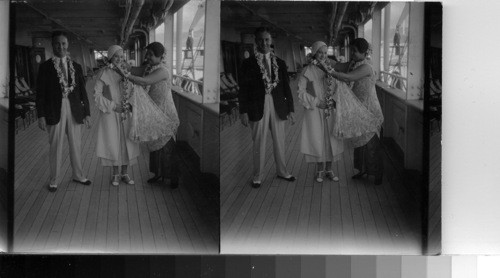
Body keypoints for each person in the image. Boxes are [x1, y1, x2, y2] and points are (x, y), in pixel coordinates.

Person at [238, 27, 295, 188]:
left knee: (280, 141)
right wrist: (243, 111)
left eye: (267, 40)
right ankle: (257, 176)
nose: (264, 43)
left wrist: (291, 109)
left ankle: (282, 171)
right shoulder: (248, 64)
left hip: (277, 105)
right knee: (259, 142)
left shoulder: (281, 63)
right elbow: (243, 89)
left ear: (271, 41)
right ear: (256, 42)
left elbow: (286, 88)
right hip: (256, 106)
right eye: (261, 40)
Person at [36, 31, 92, 192]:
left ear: (68, 45)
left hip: (74, 109)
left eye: (63, 44)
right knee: (55, 146)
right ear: (52, 45)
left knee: (76, 145)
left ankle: (78, 175)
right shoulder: (45, 67)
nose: (60, 46)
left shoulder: (76, 66)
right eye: (57, 44)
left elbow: (83, 91)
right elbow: (40, 94)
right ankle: (54, 180)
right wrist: (41, 115)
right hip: (54, 110)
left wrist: (87, 112)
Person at [119, 42, 180, 188]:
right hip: (154, 113)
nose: (148, 57)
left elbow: (144, 80)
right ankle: (158, 174)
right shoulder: (149, 68)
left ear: (160, 56)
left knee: (166, 147)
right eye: (147, 54)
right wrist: (123, 65)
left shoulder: (163, 71)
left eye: (151, 55)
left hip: (165, 114)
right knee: (155, 146)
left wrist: (126, 75)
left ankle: (173, 178)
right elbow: (135, 70)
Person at [328, 38, 384, 185]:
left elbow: (347, 76)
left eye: (354, 51)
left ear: (364, 52)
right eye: (351, 50)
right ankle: (362, 170)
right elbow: (340, 65)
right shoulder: (354, 63)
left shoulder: (366, 67)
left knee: (371, 144)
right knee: (360, 143)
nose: (352, 53)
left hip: (370, 110)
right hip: (359, 110)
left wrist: (328, 70)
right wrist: (323, 59)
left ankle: (377, 174)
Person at [297, 41, 344, 182]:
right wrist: (317, 102)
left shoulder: (331, 69)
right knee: (317, 138)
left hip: (330, 108)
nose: (323, 55)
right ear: (314, 53)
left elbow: (339, 87)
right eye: (320, 52)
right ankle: (319, 170)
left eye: (325, 52)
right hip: (315, 110)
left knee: (331, 138)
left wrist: (333, 100)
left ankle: (329, 169)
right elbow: (301, 92)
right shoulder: (307, 70)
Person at [93, 45, 140, 186]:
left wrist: (130, 104)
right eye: (116, 56)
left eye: (121, 56)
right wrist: (113, 105)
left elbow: (134, 92)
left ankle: (125, 173)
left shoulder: (127, 73)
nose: (119, 59)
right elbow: (97, 95)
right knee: (113, 142)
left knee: (127, 142)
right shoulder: (104, 73)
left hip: (126, 112)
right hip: (111, 113)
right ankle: (115, 174)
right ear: (110, 58)